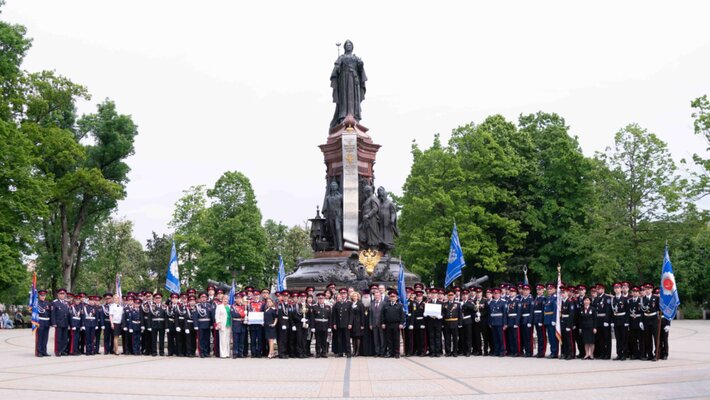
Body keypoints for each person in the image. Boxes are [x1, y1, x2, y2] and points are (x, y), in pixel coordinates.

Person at [380, 290, 405, 358]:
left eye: (394, 297)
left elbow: (402, 315)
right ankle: (390, 353)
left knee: (396, 339)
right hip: (388, 325)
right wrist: (383, 323)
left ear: (396, 298)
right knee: (389, 339)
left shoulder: (399, 305)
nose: (393, 298)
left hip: (396, 325)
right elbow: (382, 315)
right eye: (391, 297)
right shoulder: (386, 305)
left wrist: (401, 323)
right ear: (389, 298)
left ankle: (396, 353)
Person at [310, 293, 332, 358]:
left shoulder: (328, 307)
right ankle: (318, 353)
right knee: (318, 340)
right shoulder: (314, 307)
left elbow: (330, 318)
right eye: (319, 299)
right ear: (318, 299)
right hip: (317, 326)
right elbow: (312, 318)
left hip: (325, 325)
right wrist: (312, 327)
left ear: (324, 299)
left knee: (324, 340)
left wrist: (329, 327)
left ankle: (324, 353)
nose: (321, 300)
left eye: (322, 298)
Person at [332, 288, 353, 357]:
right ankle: (340, 352)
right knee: (339, 339)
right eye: (342, 294)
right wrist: (334, 323)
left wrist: (350, 323)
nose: (343, 295)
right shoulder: (337, 304)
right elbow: (334, 315)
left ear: (347, 295)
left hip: (346, 324)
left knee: (347, 339)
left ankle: (348, 352)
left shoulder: (349, 303)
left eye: (344, 294)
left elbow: (351, 314)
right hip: (338, 324)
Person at [442, 290, 462, 357]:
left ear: (454, 296)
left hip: (455, 323)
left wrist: (460, 323)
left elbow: (460, 315)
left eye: (452, 295)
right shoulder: (444, 304)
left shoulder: (458, 304)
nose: (450, 296)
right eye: (449, 295)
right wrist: (442, 323)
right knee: (447, 338)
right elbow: (443, 314)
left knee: (455, 338)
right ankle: (448, 352)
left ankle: (455, 352)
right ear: (447, 296)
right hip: (447, 323)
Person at [369, 289, 385, 357]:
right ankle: (377, 352)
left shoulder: (384, 303)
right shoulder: (372, 304)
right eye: (375, 295)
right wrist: (370, 324)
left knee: (382, 339)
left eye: (378, 295)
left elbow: (385, 315)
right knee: (376, 340)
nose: (377, 296)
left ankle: (382, 352)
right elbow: (370, 315)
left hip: (381, 324)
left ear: (380, 296)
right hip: (374, 324)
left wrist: (384, 323)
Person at [231, 293, 247, 358]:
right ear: (235, 299)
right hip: (236, 324)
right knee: (236, 340)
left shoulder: (244, 306)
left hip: (243, 324)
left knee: (241, 340)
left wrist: (246, 315)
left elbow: (247, 314)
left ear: (241, 299)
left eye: (239, 298)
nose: (238, 299)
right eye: (237, 298)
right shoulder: (233, 306)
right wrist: (242, 314)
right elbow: (233, 314)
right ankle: (235, 353)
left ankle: (240, 353)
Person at [349, 292, 365, 356]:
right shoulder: (350, 304)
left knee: (357, 337)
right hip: (352, 323)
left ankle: (357, 351)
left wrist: (362, 324)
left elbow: (362, 315)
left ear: (358, 297)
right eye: (353, 296)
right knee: (353, 337)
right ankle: (354, 351)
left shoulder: (360, 304)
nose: (354, 297)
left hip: (358, 323)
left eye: (356, 296)